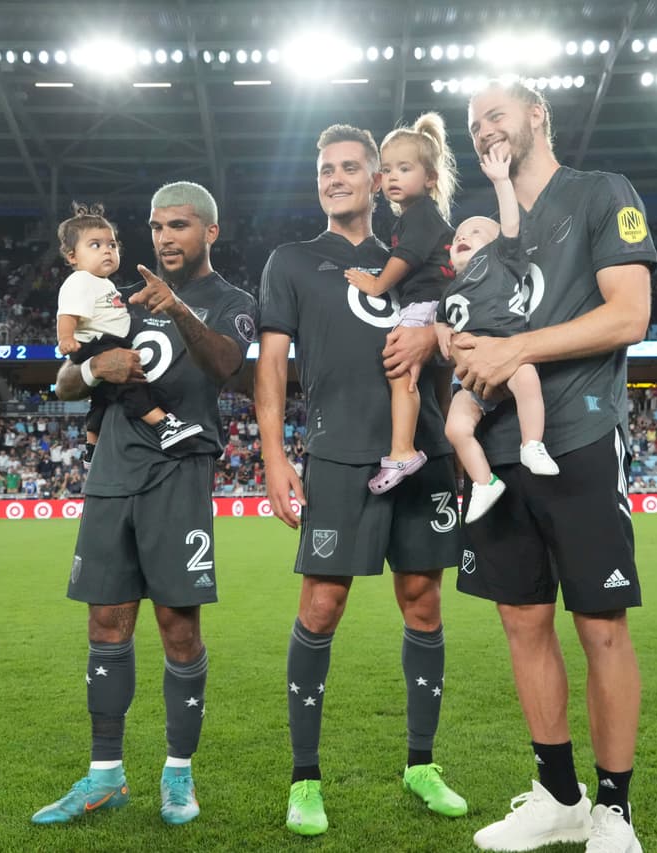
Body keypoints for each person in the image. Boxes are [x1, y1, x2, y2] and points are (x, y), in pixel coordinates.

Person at [449, 80, 655, 853]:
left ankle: (614, 808)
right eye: (473, 124)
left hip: (578, 433)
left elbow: (628, 313)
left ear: (537, 116)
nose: (483, 130)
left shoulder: (601, 192)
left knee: (600, 624)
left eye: (495, 114)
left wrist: (518, 349)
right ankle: (557, 793)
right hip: (497, 449)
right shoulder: (489, 229)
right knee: (522, 620)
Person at [256, 124, 468, 837]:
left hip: (423, 454)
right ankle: (305, 776)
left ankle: (420, 762)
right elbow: (271, 369)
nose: (336, 177)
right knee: (321, 604)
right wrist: (276, 454)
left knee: (424, 600)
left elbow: (468, 333)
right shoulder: (291, 260)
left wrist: (433, 336)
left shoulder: (416, 252)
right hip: (338, 453)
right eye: (326, 169)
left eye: (351, 167)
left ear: (378, 179)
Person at [31, 181, 258, 827]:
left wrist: (178, 307)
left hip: (179, 476)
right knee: (105, 623)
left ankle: (178, 775)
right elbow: (68, 375)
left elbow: (226, 368)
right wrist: (92, 372)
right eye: (157, 227)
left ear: (210, 231)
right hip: (111, 476)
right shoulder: (114, 295)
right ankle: (105, 775)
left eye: (179, 226)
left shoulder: (232, 301)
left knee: (178, 627)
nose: (164, 238)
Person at [435, 144, 560, 524]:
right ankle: (483, 481)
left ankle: (532, 444)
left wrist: (501, 182)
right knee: (455, 426)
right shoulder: (450, 291)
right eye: (459, 233)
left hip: (510, 351)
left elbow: (509, 225)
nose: (464, 235)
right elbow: (443, 320)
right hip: (473, 375)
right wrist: (441, 331)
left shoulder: (499, 259)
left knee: (527, 379)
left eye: (476, 231)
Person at [341, 112, 458, 494]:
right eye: (387, 169)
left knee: (399, 369)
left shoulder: (420, 214)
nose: (392, 177)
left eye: (404, 169)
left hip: (425, 304)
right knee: (417, 378)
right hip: (432, 305)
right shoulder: (417, 214)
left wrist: (376, 285)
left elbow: (406, 257)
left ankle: (403, 450)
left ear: (430, 178)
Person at [54, 202, 202, 467]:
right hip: (99, 344)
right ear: (72, 256)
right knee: (131, 385)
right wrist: (66, 338)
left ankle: (91, 447)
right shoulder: (80, 281)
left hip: (107, 341)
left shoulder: (103, 283)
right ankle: (164, 426)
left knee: (101, 398)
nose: (107, 251)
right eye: (95, 245)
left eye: (112, 245)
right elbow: (67, 314)